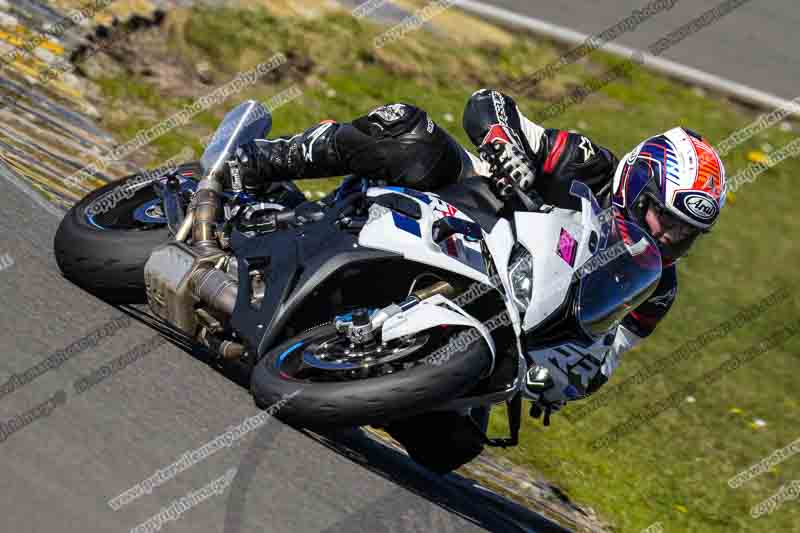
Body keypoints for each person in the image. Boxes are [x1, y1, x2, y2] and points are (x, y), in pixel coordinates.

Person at [225, 89, 727, 414]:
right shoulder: (588, 164)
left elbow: (608, 352)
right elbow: (489, 104)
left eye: (685, 234)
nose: (668, 239)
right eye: (667, 219)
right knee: (408, 133)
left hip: (505, 322)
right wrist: (505, 143)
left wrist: (568, 380)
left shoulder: (656, 285)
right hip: (461, 220)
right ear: (637, 185)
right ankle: (261, 161)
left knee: (451, 449)